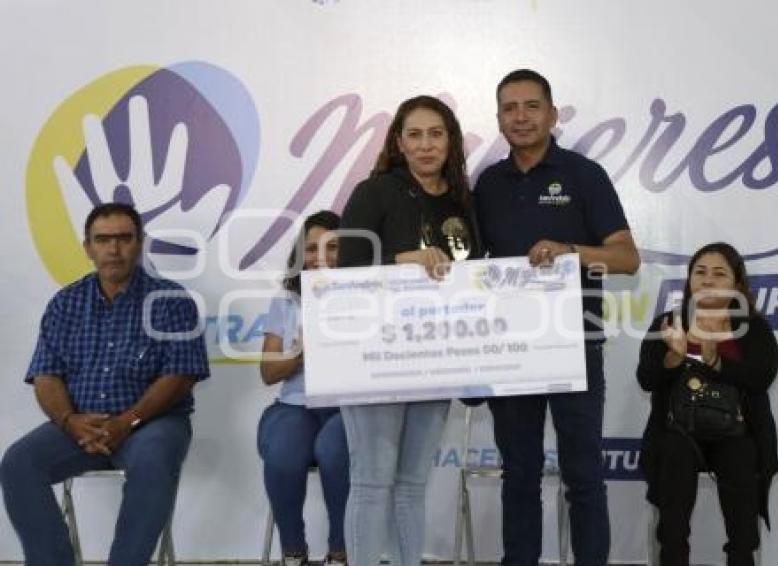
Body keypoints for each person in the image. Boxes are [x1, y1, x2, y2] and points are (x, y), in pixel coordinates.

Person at [474, 69, 640, 566]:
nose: (520, 117)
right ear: (499, 118)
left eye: (531, 106)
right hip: (513, 351)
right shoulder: (487, 184)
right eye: (510, 108)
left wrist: (570, 251)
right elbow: (473, 268)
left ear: (552, 113)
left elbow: (627, 258)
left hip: (575, 346)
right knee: (519, 473)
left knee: (583, 474)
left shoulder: (584, 175)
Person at [0, 203, 209, 566]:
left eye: (124, 238)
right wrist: (69, 420)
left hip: (153, 423)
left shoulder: (172, 301)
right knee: (18, 463)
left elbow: (179, 376)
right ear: (88, 247)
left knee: (152, 460)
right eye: (103, 239)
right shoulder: (65, 303)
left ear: (139, 243)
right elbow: (45, 375)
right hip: (79, 423)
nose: (114, 249)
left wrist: (126, 421)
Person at [336, 95, 480, 565]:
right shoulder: (373, 191)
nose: (425, 145)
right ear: (399, 142)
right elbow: (346, 271)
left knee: (413, 485)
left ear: (450, 141)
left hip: (435, 358)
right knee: (373, 482)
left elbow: (475, 276)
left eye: (435, 134)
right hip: (374, 356)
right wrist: (404, 260)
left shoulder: (463, 200)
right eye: (414, 135)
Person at [636, 242, 778, 566]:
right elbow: (647, 378)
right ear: (689, 281)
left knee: (742, 456)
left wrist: (714, 358)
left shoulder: (752, 327)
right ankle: (673, 556)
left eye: (719, 273)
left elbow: (761, 377)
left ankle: (741, 557)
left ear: (736, 284)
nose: (708, 280)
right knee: (673, 454)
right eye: (700, 272)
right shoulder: (670, 322)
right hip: (679, 430)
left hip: (736, 431)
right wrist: (674, 355)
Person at [257, 210, 349, 566]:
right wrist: (301, 352)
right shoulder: (285, 301)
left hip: (347, 406)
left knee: (334, 452)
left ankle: (340, 551)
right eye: (311, 249)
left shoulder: (370, 297)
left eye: (333, 247)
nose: (320, 258)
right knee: (282, 454)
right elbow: (267, 372)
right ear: (300, 255)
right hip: (296, 404)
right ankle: (293, 551)